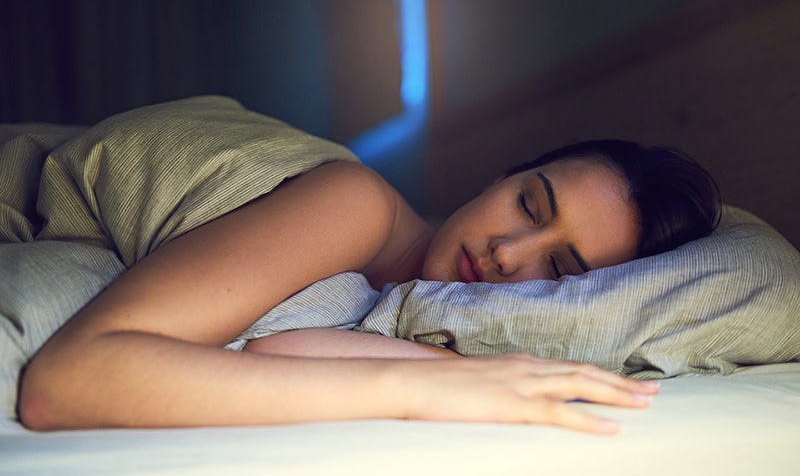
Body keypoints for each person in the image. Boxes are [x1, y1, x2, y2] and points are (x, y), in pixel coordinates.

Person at [18, 137, 720, 435]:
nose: (509, 252)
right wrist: (418, 389)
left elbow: (275, 355)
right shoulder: (356, 203)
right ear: (502, 176)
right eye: (529, 205)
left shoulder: (425, 324)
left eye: (562, 269)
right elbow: (65, 382)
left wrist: (440, 371)